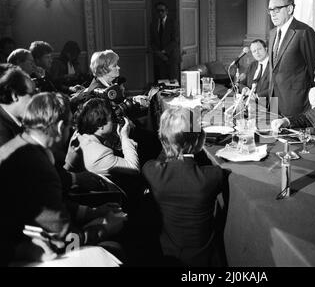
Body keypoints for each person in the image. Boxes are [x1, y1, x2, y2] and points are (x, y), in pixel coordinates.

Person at [0, 92, 126, 266]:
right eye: (69, 126)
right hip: (17, 253)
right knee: (114, 249)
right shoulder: (40, 167)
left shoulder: (19, 147)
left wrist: (94, 212)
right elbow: (68, 242)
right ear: (60, 127)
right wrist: (105, 228)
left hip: (17, 243)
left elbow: (50, 207)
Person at [142, 107, 227, 266]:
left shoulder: (151, 171)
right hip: (204, 258)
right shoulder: (212, 176)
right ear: (199, 139)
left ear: (163, 138)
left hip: (167, 253)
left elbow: (162, 159)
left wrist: (170, 143)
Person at [267, 0, 315, 117]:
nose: (272, 14)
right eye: (270, 10)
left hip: (297, 103)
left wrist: (313, 105)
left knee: (291, 137)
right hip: (274, 101)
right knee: (273, 135)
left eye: (276, 9)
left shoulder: (304, 32)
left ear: (290, 9)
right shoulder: (272, 33)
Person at [65, 98, 140, 178]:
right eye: (111, 118)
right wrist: (124, 136)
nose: (114, 121)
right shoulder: (100, 154)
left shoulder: (79, 134)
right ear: (100, 125)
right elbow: (134, 167)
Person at [150, 2, 180, 82]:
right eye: (158, 11)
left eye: (162, 10)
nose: (160, 13)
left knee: (173, 81)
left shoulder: (173, 22)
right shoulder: (153, 24)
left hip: (171, 56)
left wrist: (164, 51)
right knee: (161, 82)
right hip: (159, 58)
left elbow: (175, 40)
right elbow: (152, 41)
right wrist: (158, 53)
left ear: (166, 11)